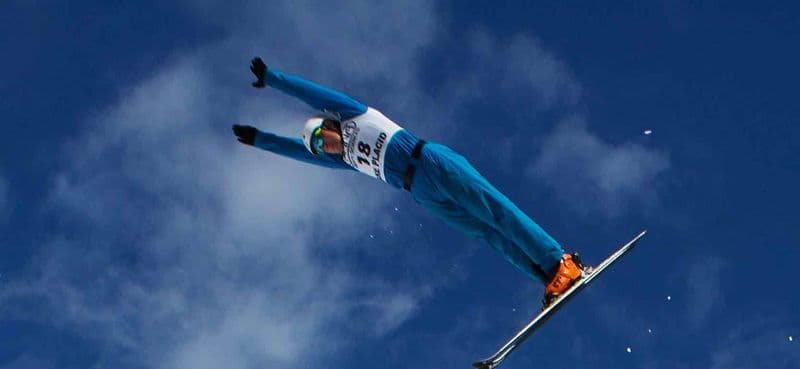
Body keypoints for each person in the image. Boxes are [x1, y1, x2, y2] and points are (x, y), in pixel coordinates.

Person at [232, 57, 585, 308]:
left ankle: (560, 261)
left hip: (431, 162)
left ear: (330, 125)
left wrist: (274, 79)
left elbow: (317, 94)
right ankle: (547, 277)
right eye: (321, 149)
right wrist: (260, 139)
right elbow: (299, 152)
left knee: (497, 212)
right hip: (420, 192)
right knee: (486, 232)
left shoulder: (354, 116)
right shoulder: (349, 161)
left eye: (323, 138)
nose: (326, 148)